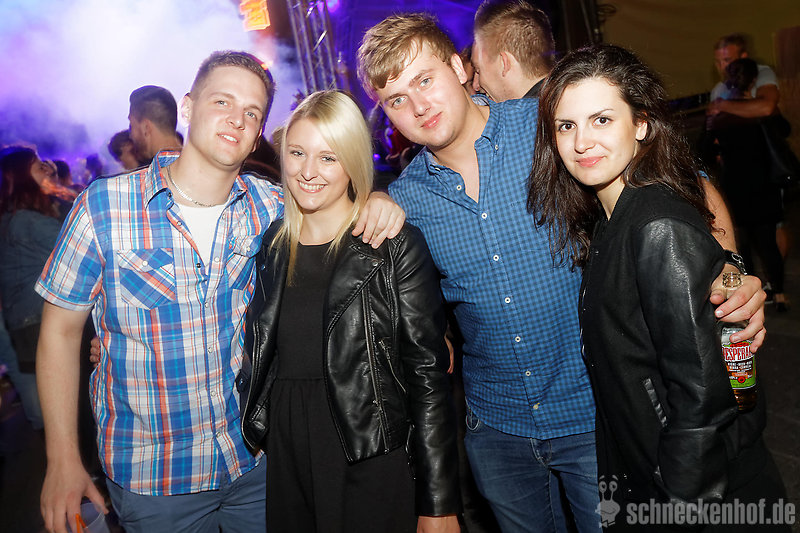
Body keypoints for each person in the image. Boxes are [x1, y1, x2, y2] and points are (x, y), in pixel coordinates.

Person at [357, 13, 766, 533]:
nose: (418, 106)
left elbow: (690, 181)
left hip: (594, 416)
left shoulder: (545, 125)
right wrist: (373, 199)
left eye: (425, 80)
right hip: (497, 430)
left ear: (460, 69)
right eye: (396, 99)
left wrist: (729, 279)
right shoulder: (406, 200)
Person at [36, 51, 404, 533]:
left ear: (259, 131)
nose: (237, 119)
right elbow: (60, 333)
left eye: (252, 112)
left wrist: (379, 197)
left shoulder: (273, 206)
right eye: (222, 101)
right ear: (188, 106)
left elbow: (338, 196)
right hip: (155, 478)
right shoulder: (104, 207)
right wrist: (63, 458)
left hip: (256, 463)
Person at [529, 43, 788, 532]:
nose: (582, 141)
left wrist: (680, 507)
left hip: (703, 499)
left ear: (642, 124)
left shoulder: (656, 227)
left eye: (601, 120)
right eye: (566, 125)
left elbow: (703, 399)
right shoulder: (611, 220)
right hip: (659, 480)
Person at [239, 90, 460, 533]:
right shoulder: (273, 245)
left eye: (328, 157)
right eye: (297, 153)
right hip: (289, 450)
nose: (308, 171)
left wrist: (438, 503)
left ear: (352, 162)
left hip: (369, 451)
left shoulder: (392, 245)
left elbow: (427, 378)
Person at [707, 58, 788, 311]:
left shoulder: (720, 117)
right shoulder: (762, 114)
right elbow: (784, 130)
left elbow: (705, 149)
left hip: (735, 188)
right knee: (768, 243)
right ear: (753, 82)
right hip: (764, 186)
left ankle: (751, 293)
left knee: (743, 246)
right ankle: (780, 294)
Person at [0, 146, 61, 433]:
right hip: (37, 319)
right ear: (24, 176)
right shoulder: (26, 220)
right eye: (39, 166)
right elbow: (78, 246)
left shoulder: (14, 216)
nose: (46, 170)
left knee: (47, 402)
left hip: (24, 318)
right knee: (57, 404)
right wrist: (59, 188)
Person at [471, 0, 555, 100]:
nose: (475, 85)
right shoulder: (561, 99)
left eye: (478, 70)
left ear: (504, 63)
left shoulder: (538, 109)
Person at [707, 33, 779, 119]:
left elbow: (766, 107)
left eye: (727, 60)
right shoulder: (718, 90)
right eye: (718, 62)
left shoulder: (762, 72)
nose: (722, 67)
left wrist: (722, 105)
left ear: (743, 57)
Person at [127, 85, 184, 161]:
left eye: (131, 126)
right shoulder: (194, 160)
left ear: (146, 128)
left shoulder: (159, 167)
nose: (131, 136)